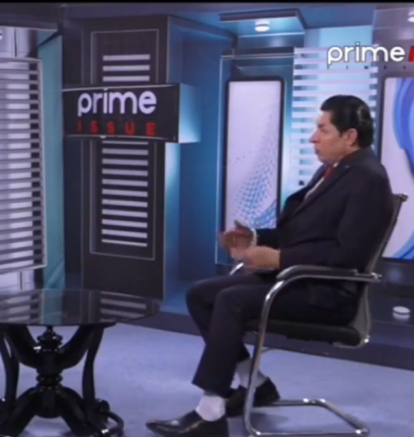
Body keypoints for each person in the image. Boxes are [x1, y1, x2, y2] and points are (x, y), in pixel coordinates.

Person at [146, 95, 394, 437]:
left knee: (231, 300)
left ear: (349, 136)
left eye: (323, 130)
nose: (313, 138)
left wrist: (279, 259)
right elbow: (303, 233)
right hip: (298, 280)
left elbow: (349, 254)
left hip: (326, 293)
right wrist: (254, 237)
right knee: (201, 294)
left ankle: (211, 412)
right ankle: (256, 383)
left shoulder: (369, 178)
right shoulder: (336, 171)